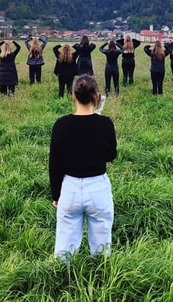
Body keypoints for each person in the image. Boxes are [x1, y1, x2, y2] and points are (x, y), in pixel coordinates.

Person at [49, 75, 117, 260]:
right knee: (102, 247)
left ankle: (61, 280)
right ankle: (102, 279)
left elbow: (54, 164)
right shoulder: (105, 123)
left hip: (69, 188)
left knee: (64, 248)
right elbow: (111, 155)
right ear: (96, 96)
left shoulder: (61, 124)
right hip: (98, 188)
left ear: (73, 95)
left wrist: (56, 195)